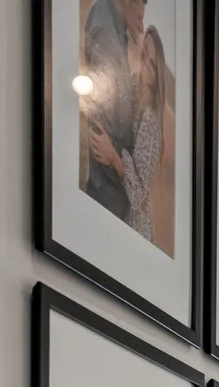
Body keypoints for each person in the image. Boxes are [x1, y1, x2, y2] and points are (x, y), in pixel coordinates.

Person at [88, 27, 166, 242]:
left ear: (158, 72)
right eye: (144, 54)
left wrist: (114, 157)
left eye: (151, 62)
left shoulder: (150, 123)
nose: (145, 64)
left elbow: (139, 195)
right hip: (114, 201)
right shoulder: (130, 85)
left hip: (134, 226)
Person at [80, 0, 147, 220]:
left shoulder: (118, 32)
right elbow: (103, 131)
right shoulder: (105, 32)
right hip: (107, 197)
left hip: (114, 197)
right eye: (143, 3)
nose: (142, 15)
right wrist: (123, 167)